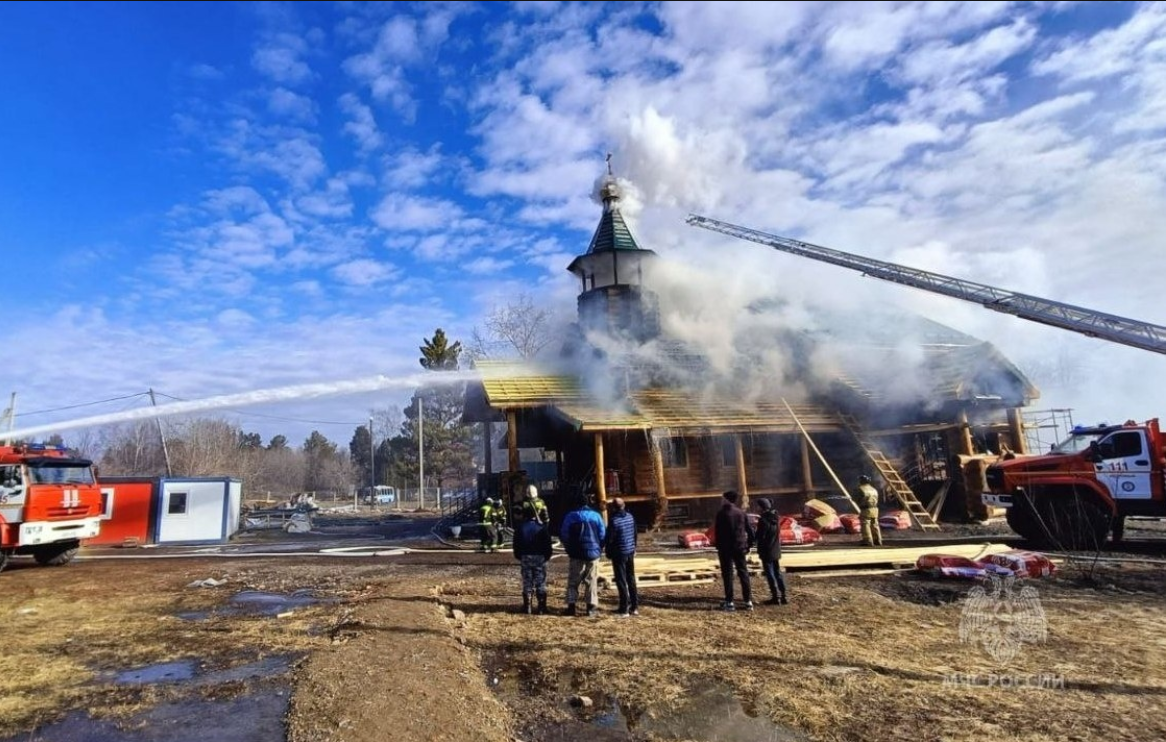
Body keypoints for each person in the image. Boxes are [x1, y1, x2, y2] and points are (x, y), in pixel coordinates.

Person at [560, 491, 606, 617]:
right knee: (591, 580)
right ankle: (591, 608)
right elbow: (602, 534)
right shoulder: (596, 516)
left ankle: (571, 607)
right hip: (593, 553)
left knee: (573, 581)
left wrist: (569, 549)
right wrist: (599, 548)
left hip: (576, 553)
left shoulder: (570, 516)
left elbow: (564, 534)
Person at [714, 490, 754, 611]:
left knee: (728, 574)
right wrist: (748, 545)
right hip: (740, 547)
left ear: (726, 499)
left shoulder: (721, 513)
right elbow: (750, 531)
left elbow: (718, 532)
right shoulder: (741, 513)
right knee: (743, 573)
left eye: (723, 498)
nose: (721, 500)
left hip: (725, 549)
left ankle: (730, 601)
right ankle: (748, 601)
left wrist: (718, 546)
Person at [512, 502, 553, 614]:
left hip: (525, 556)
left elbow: (516, 545)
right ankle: (541, 607)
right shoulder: (541, 528)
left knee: (527, 581)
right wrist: (547, 556)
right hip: (539, 557)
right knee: (540, 581)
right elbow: (547, 545)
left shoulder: (520, 528)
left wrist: (519, 556)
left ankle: (527, 607)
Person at [605, 498, 639, 616]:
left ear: (613, 508)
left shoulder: (614, 521)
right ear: (623, 506)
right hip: (630, 551)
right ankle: (634, 606)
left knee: (621, 580)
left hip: (619, 553)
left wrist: (608, 552)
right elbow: (635, 534)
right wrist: (634, 547)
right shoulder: (630, 517)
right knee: (631, 579)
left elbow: (610, 539)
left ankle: (624, 608)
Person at [753, 498, 788, 605]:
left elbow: (759, 537)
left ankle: (775, 597)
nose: (756, 508)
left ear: (761, 507)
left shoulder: (763, 520)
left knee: (770, 574)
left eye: (758, 506)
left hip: (766, 551)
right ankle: (784, 596)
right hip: (775, 549)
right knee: (778, 573)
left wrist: (754, 532)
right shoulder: (775, 518)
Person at [857, 475, 883, 547]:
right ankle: (877, 540)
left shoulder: (861, 489)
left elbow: (857, 498)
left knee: (865, 524)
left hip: (866, 509)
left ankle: (867, 540)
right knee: (875, 524)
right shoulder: (873, 489)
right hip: (875, 509)